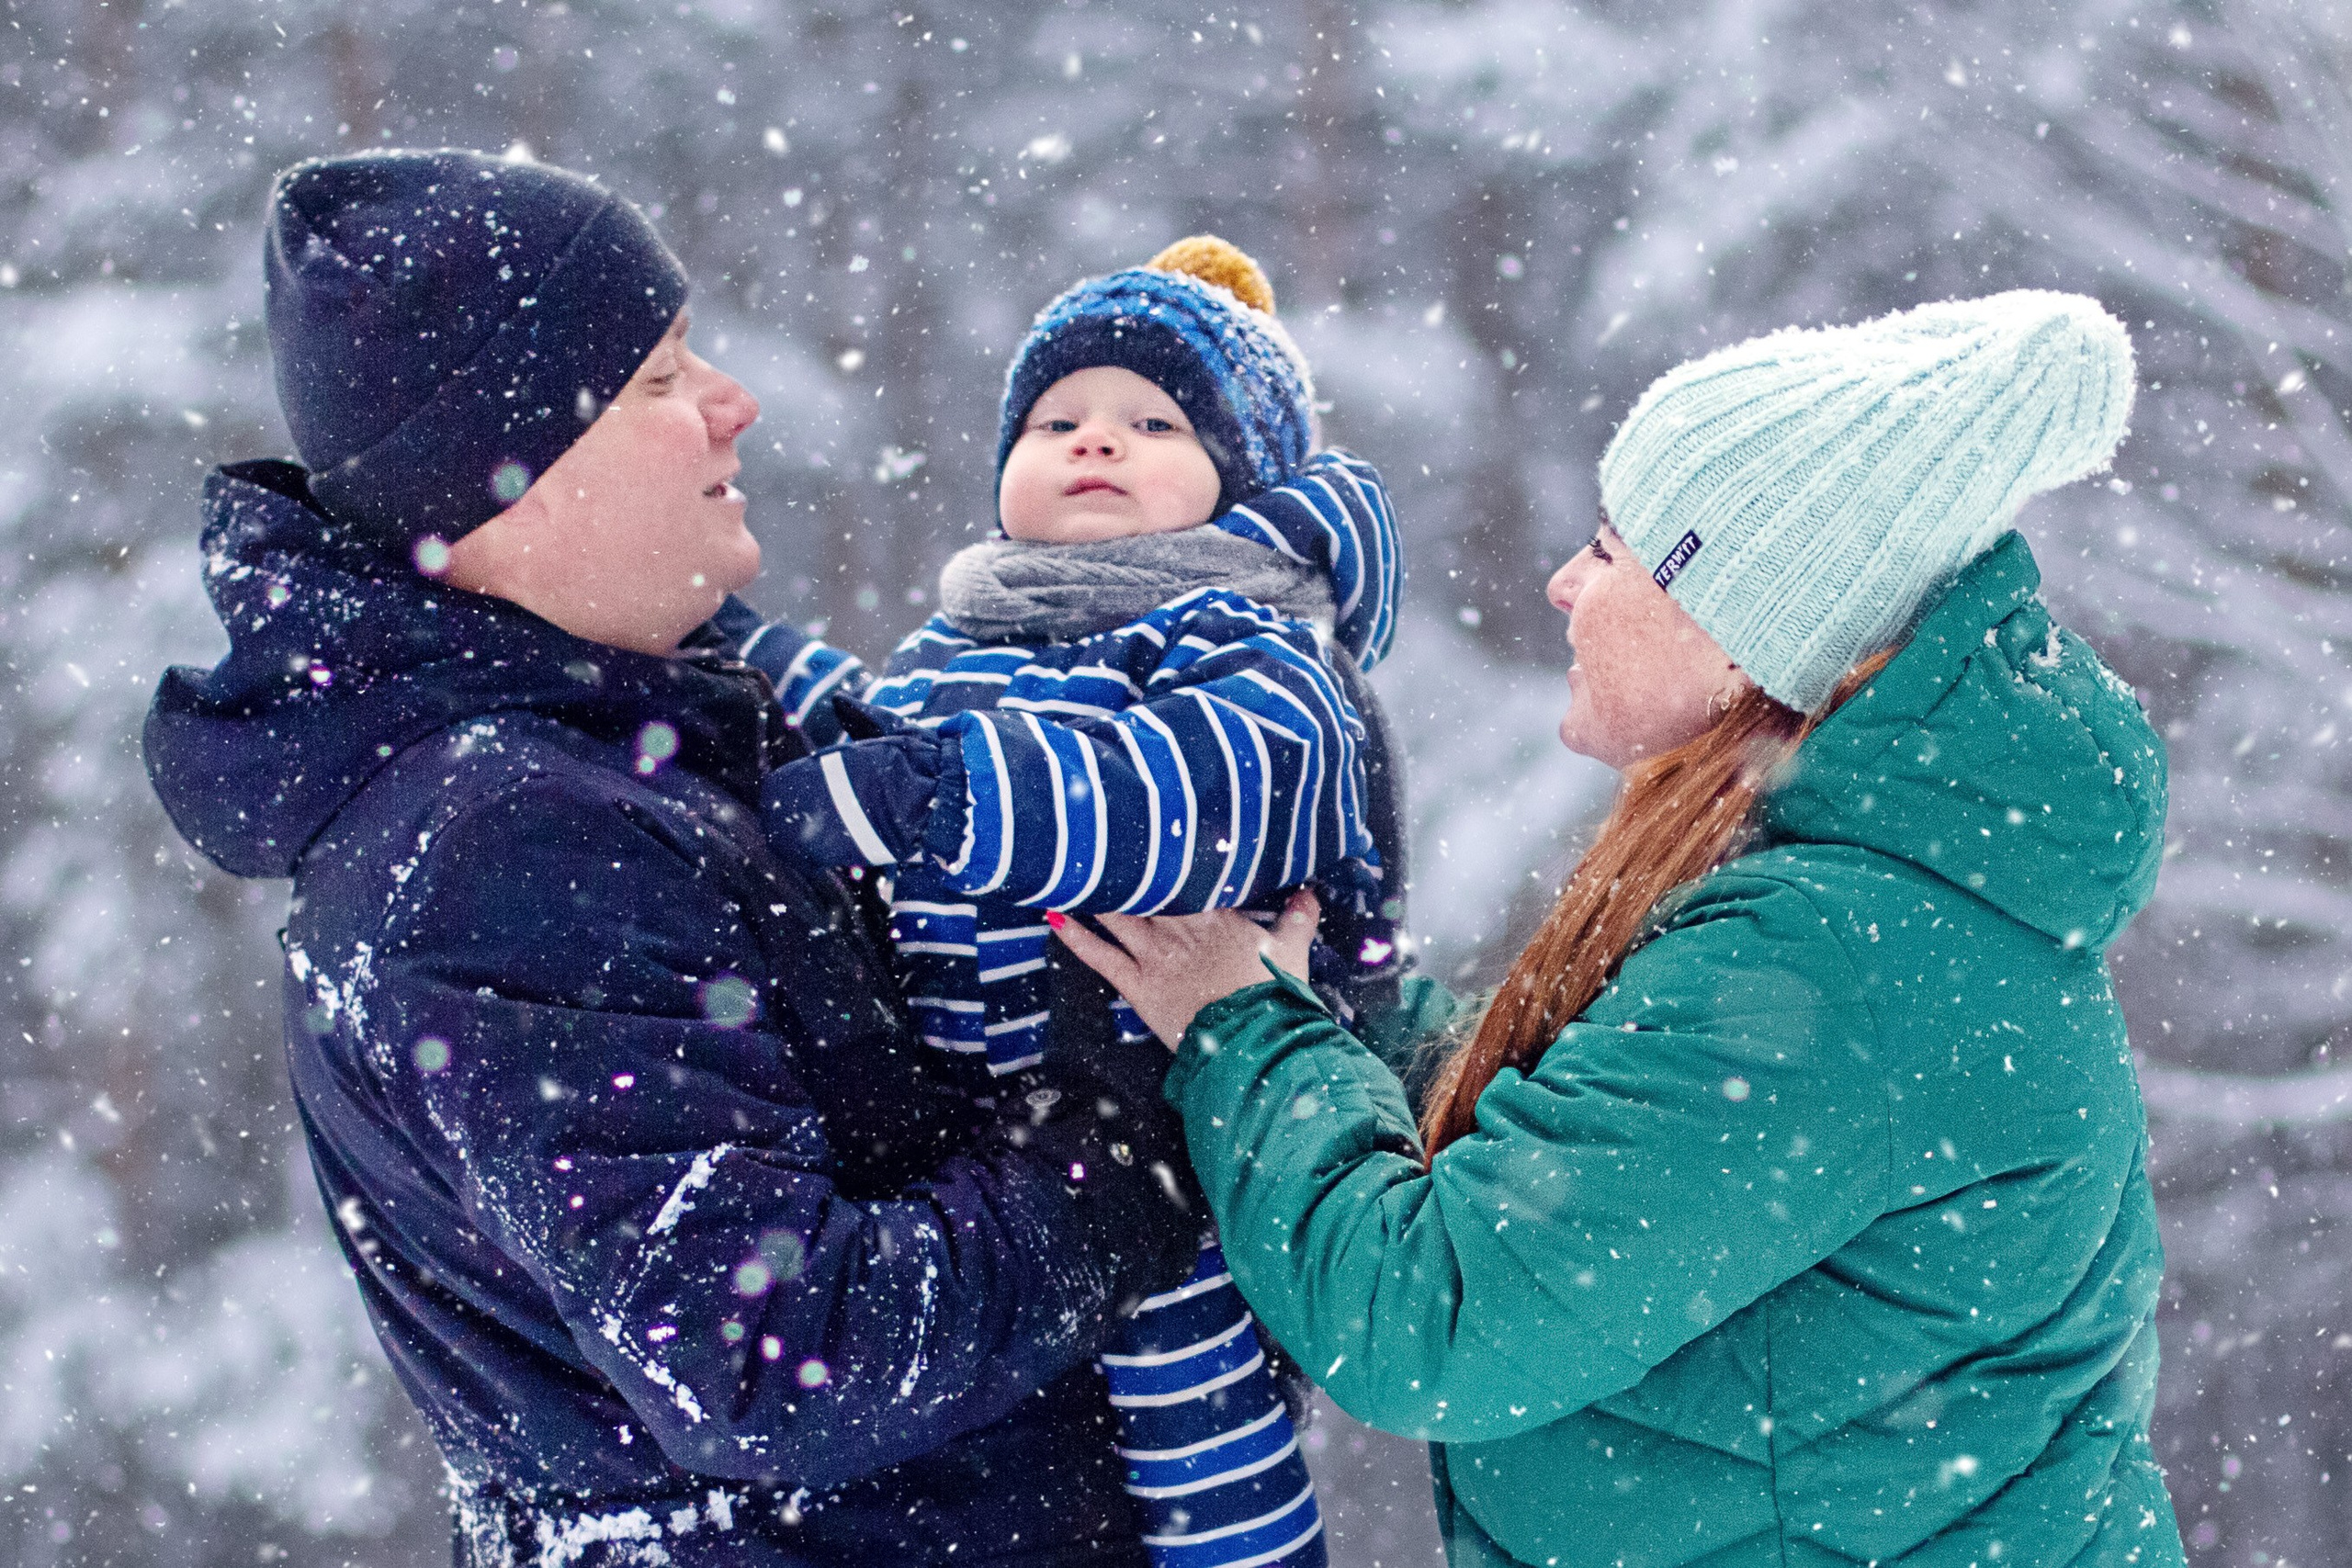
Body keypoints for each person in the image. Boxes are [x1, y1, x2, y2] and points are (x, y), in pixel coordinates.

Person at [143, 149, 1201, 1567]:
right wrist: (1133, 1139)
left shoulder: (624, 753)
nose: (730, 403)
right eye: (660, 378)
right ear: (510, 481)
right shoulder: (505, 849)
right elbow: (771, 1356)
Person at [1055, 292, 2192, 1567]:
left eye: (1610, 551)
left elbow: (1431, 1319)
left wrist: (1244, 1029)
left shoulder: (1835, 961)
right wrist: (1334, 1007)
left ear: (1739, 628)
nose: (1565, 582)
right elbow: (1589, 1144)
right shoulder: (1870, 908)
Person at [752, 237, 1409, 1568]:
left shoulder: (1247, 633)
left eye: (1154, 423)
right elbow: (870, 735)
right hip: (986, 1147)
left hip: (1165, 1138)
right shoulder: (963, 639)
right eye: (1055, 422)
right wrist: (732, 650)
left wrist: (942, 798)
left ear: (1242, 477)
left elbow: (1214, 790)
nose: (1094, 441)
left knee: (1203, 1445)